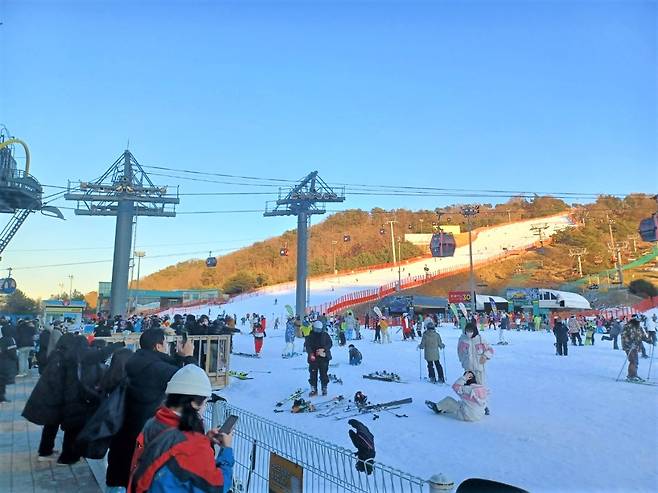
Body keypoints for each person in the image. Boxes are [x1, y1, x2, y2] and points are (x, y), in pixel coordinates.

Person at [105, 328, 194, 491]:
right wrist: (188, 357)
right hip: (146, 437)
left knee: (125, 478)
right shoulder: (157, 369)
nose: (167, 347)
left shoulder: (134, 361)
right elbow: (191, 382)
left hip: (125, 432)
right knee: (141, 480)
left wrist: (178, 358)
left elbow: (159, 367)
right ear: (158, 346)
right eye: (165, 343)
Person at [129, 365, 234, 493]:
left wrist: (206, 441)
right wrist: (226, 450)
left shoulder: (153, 422)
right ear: (195, 403)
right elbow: (218, 486)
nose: (205, 407)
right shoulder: (194, 447)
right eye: (205, 402)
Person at [457, 323, 493, 414]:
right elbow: (460, 352)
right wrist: (463, 362)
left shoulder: (480, 339)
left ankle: (483, 406)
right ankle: (469, 404)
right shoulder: (462, 340)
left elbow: (490, 349)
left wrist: (485, 356)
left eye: (471, 331)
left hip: (479, 368)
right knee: (469, 387)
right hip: (468, 369)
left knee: (480, 387)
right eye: (467, 331)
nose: (469, 333)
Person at [306, 321, 332, 396]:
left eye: (319, 329)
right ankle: (314, 389)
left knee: (324, 374)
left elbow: (329, 344)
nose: (318, 331)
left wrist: (323, 349)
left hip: (323, 357)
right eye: (316, 329)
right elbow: (308, 346)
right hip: (314, 358)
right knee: (313, 374)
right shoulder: (309, 336)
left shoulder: (325, 335)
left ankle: (324, 388)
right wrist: (311, 353)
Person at [0, 324, 18, 403]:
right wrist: (16, 359)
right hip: (7, 364)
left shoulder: (1, 339)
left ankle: (2, 397)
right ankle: (2, 397)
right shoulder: (11, 339)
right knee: (3, 381)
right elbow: (12, 353)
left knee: (1, 381)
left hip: (1, 362)